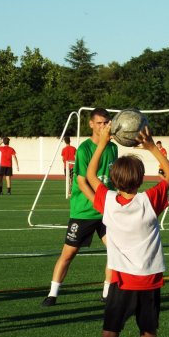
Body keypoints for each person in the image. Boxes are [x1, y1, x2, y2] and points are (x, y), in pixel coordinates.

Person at [87, 124, 169, 337]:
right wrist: (151, 147)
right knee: (148, 334)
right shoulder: (150, 200)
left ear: (114, 180)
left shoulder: (108, 201)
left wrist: (102, 143)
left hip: (121, 280)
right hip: (149, 280)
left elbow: (90, 175)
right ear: (140, 180)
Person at [42, 108, 118, 307]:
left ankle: (107, 293)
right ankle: (52, 293)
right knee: (68, 254)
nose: (104, 126)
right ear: (91, 124)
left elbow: (113, 179)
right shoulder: (84, 149)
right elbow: (83, 182)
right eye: (100, 123)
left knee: (115, 251)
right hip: (84, 211)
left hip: (105, 211)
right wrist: (99, 204)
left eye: (106, 122)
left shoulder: (113, 148)